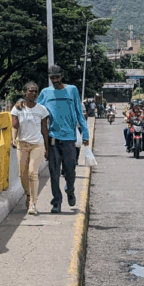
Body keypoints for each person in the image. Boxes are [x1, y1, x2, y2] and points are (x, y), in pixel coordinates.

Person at [37, 65, 89, 213]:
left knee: (70, 170)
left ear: (62, 76)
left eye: (57, 77)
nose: (55, 80)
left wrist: (85, 133)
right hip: (53, 138)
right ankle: (56, 202)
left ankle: (70, 189)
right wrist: (21, 103)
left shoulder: (72, 90)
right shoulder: (45, 93)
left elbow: (79, 112)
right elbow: (36, 109)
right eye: (52, 78)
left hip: (69, 138)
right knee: (54, 173)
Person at [11, 83, 49, 215]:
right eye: (31, 91)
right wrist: (13, 139)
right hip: (22, 144)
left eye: (36, 91)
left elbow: (45, 130)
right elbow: (14, 125)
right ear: (25, 92)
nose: (34, 94)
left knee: (33, 173)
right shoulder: (18, 108)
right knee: (22, 174)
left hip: (37, 144)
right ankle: (28, 194)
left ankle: (33, 203)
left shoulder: (42, 109)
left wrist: (47, 148)